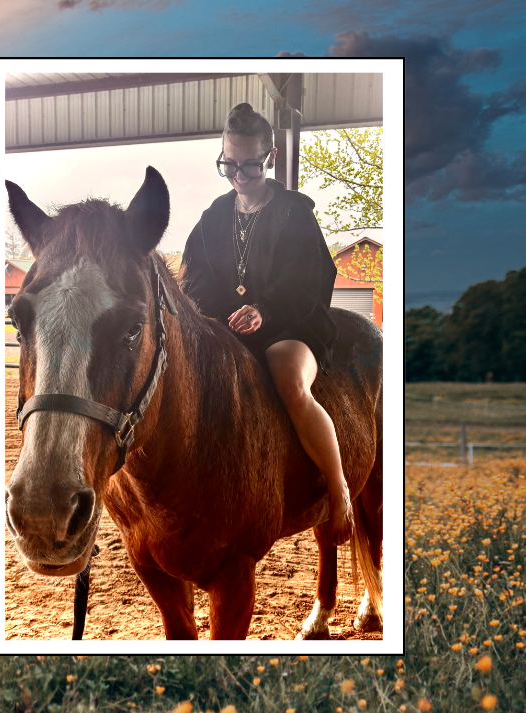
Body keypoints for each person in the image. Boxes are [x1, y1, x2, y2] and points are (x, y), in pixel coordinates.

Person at [181, 102, 351, 542]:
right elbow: (193, 276)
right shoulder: (212, 217)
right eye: (229, 165)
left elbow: (309, 278)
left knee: (288, 379)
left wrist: (263, 309)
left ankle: (338, 489)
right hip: (227, 326)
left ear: (270, 158)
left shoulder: (295, 213)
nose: (238, 175)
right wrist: (217, 317)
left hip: (291, 324)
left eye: (250, 166)